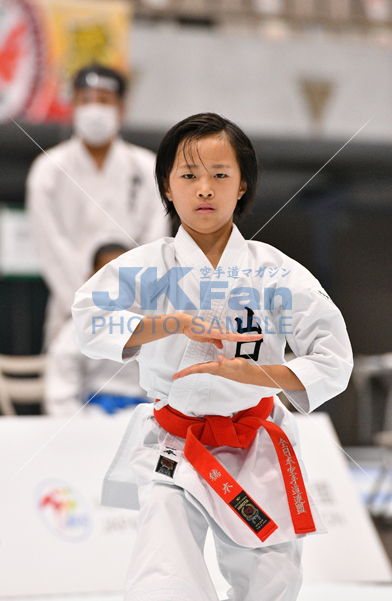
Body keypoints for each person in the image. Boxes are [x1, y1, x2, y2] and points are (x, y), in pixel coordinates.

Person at [72, 113, 353, 601]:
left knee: (273, 583)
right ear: (167, 185)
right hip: (174, 444)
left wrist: (259, 374)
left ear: (242, 185)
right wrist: (172, 323)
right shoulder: (147, 266)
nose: (204, 189)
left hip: (255, 441)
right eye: (189, 175)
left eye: (220, 174)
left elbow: (334, 358)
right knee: (165, 579)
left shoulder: (277, 272)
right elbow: (89, 320)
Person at [26, 64, 170, 348]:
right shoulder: (48, 170)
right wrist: (88, 303)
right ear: (73, 107)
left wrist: (128, 304)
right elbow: (50, 246)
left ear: (122, 108)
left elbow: (155, 240)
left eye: (104, 101)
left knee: (135, 375)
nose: (94, 109)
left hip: (137, 313)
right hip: (70, 312)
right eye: (86, 100)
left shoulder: (147, 167)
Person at [45, 243, 147, 417]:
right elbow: (61, 397)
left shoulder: (154, 325)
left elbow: (166, 384)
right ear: (90, 280)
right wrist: (87, 426)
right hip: (91, 417)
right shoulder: (74, 330)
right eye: (108, 277)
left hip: (145, 415)